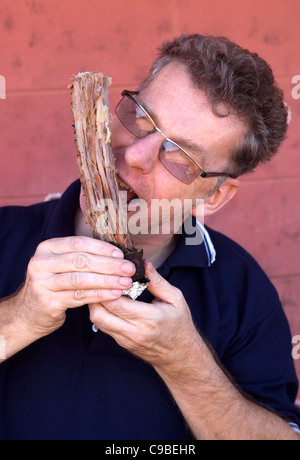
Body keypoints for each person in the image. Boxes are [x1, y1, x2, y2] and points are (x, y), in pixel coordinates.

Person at [0, 34, 299, 440]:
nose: (135, 156)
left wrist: (186, 364)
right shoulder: (4, 234)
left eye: (181, 156)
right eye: (141, 117)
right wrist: (19, 316)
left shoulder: (245, 291)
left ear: (215, 195)